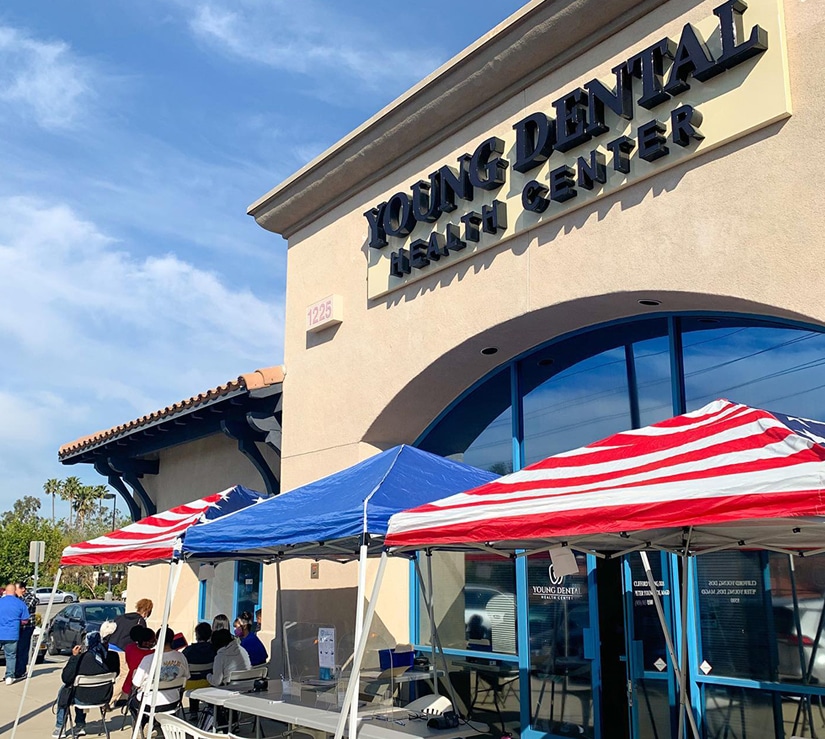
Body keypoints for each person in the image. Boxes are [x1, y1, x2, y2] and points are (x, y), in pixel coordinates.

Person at [52, 631, 120, 738]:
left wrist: (74, 657)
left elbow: (66, 678)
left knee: (66, 690)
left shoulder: (81, 659)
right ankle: (80, 725)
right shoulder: (112, 657)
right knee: (78, 688)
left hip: (82, 697)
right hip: (103, 696)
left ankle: (60, 726)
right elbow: (117, 673)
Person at [129, 627, 189, 726]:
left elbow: (136, 683)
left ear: (157, 639)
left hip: (149, 704)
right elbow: (186, 676)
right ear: (172, 639)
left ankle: (142, 725)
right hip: (173, 702)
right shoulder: (181, 657)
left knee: (132, 702)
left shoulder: (148, 659)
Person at [109, 598, 152, 703]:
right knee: (126, 674)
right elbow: (141, 639)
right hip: (123, 649)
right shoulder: (140, 621)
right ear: (147, 611)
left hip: (111, 646)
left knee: (118, 674)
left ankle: (122, 697)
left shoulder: (122, 617)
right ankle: (109, 699)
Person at [182, 622, 215, 721]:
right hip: (210, 682)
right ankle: (211, 707)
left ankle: (193, 712)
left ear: (197, 635)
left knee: (193, 678)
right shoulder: (214, 649)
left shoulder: (189, 650)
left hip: (191, 684)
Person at [0, 583, 29, 684]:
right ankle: (9, 676)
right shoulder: (20, 603)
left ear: (5, 591)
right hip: (12, 633)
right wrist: (17, 621)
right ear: (14, 591)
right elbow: (25, 620)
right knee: (11, 656)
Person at [122, 626, 155, 697]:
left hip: (128, 683)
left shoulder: (129, 648)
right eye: (153, 640)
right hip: (143, 687)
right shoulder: (152, 654)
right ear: (147, 643)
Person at [14, 581, 38, 679]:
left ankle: (21, 671)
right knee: (15, 649)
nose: (16, 592)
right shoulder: (15, 598)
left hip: (27, 627)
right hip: (17, 627)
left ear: (23, 589)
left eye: (17, 589)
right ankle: (15, 670)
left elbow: (24, 609)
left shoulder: (31, 597)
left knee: (23, 648)